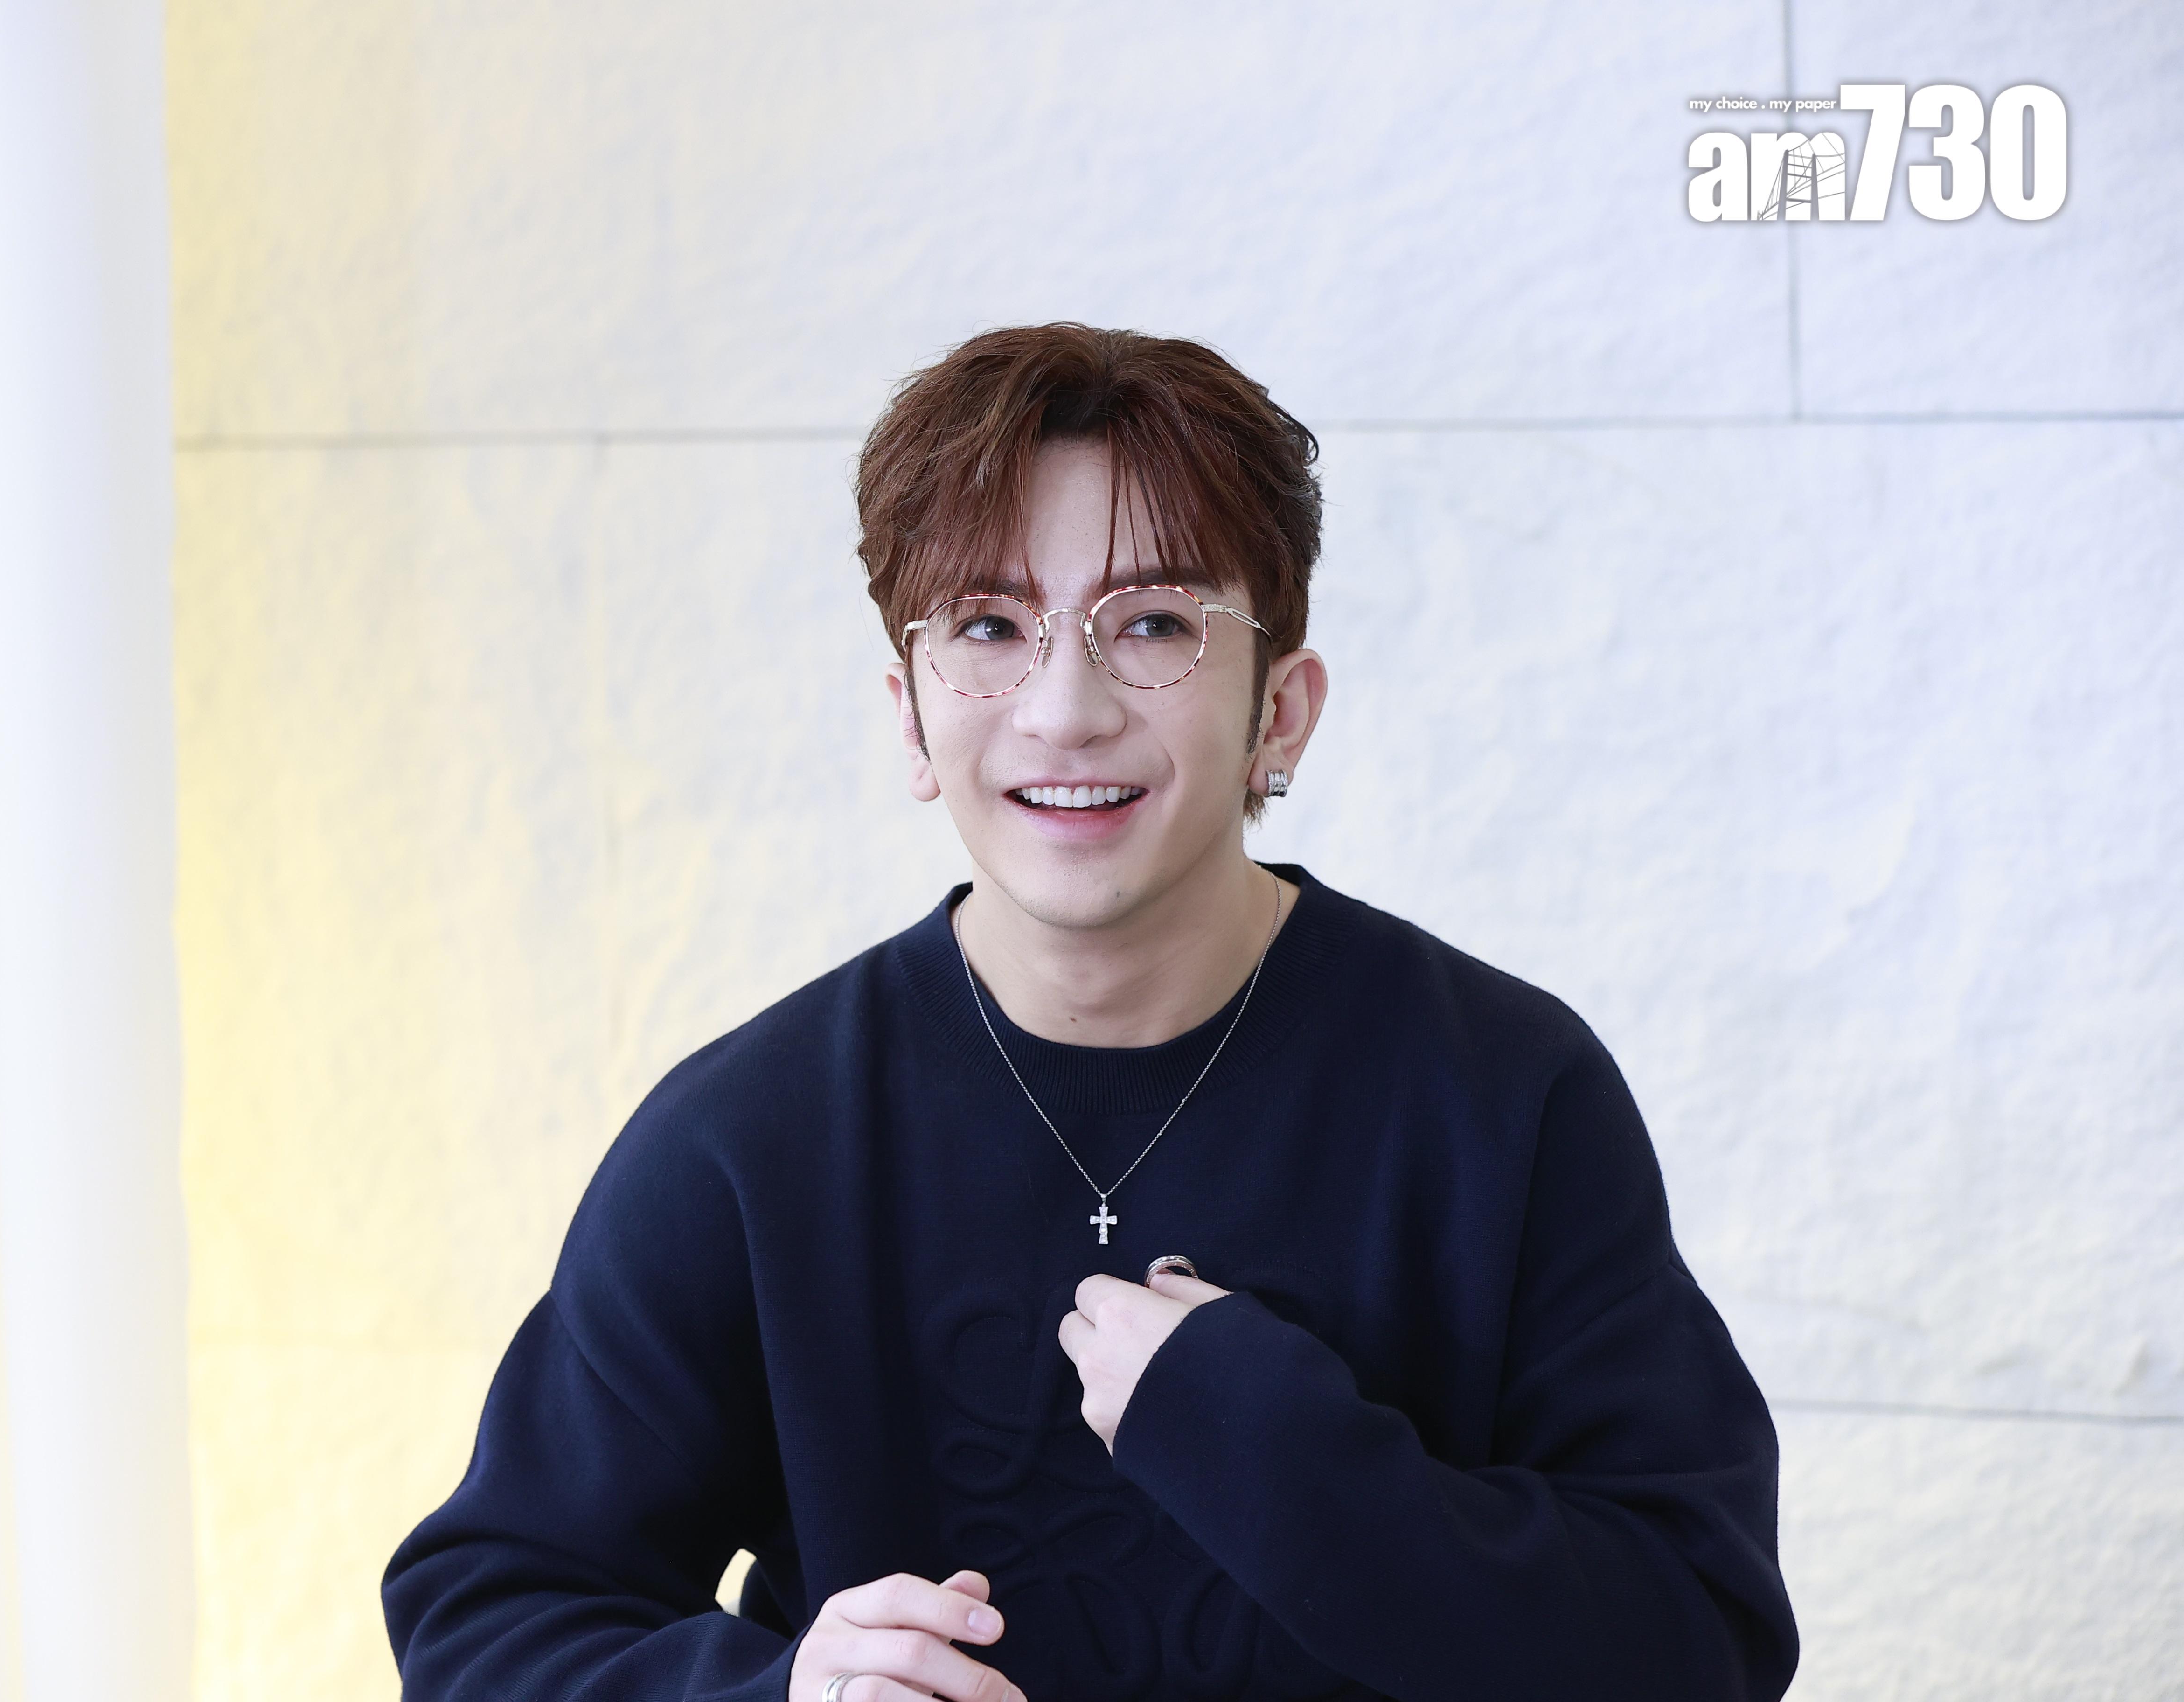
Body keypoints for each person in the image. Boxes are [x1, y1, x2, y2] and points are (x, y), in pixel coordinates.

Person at [383, 324, 1800, 1702]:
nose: (1064, 709)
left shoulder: (1503, 1095)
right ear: (910, 713)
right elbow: (488, 1619)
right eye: (990, 627)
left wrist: (1279, 1455)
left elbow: (1705, 1637)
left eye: (1156, 625)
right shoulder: (750, 1140)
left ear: (1281, 714)